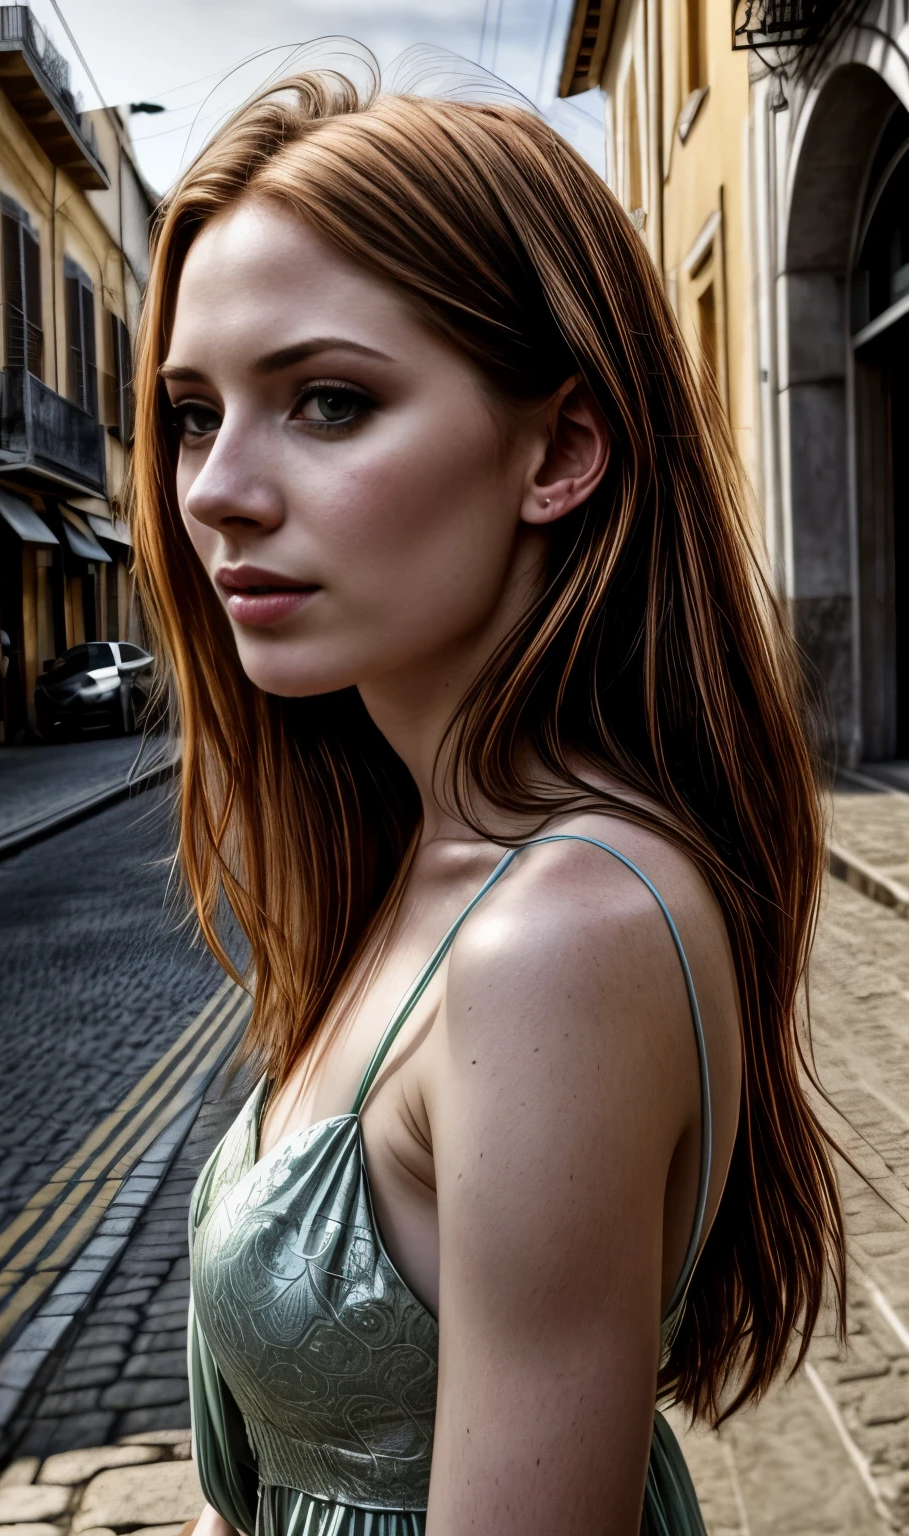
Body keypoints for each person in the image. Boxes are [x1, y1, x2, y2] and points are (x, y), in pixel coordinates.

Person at [130, 66, 845, 1536]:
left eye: (328, 401)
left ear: (560, 451)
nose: (214, 489)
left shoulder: (556, 937)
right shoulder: (416, 857)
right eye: (194, 414)